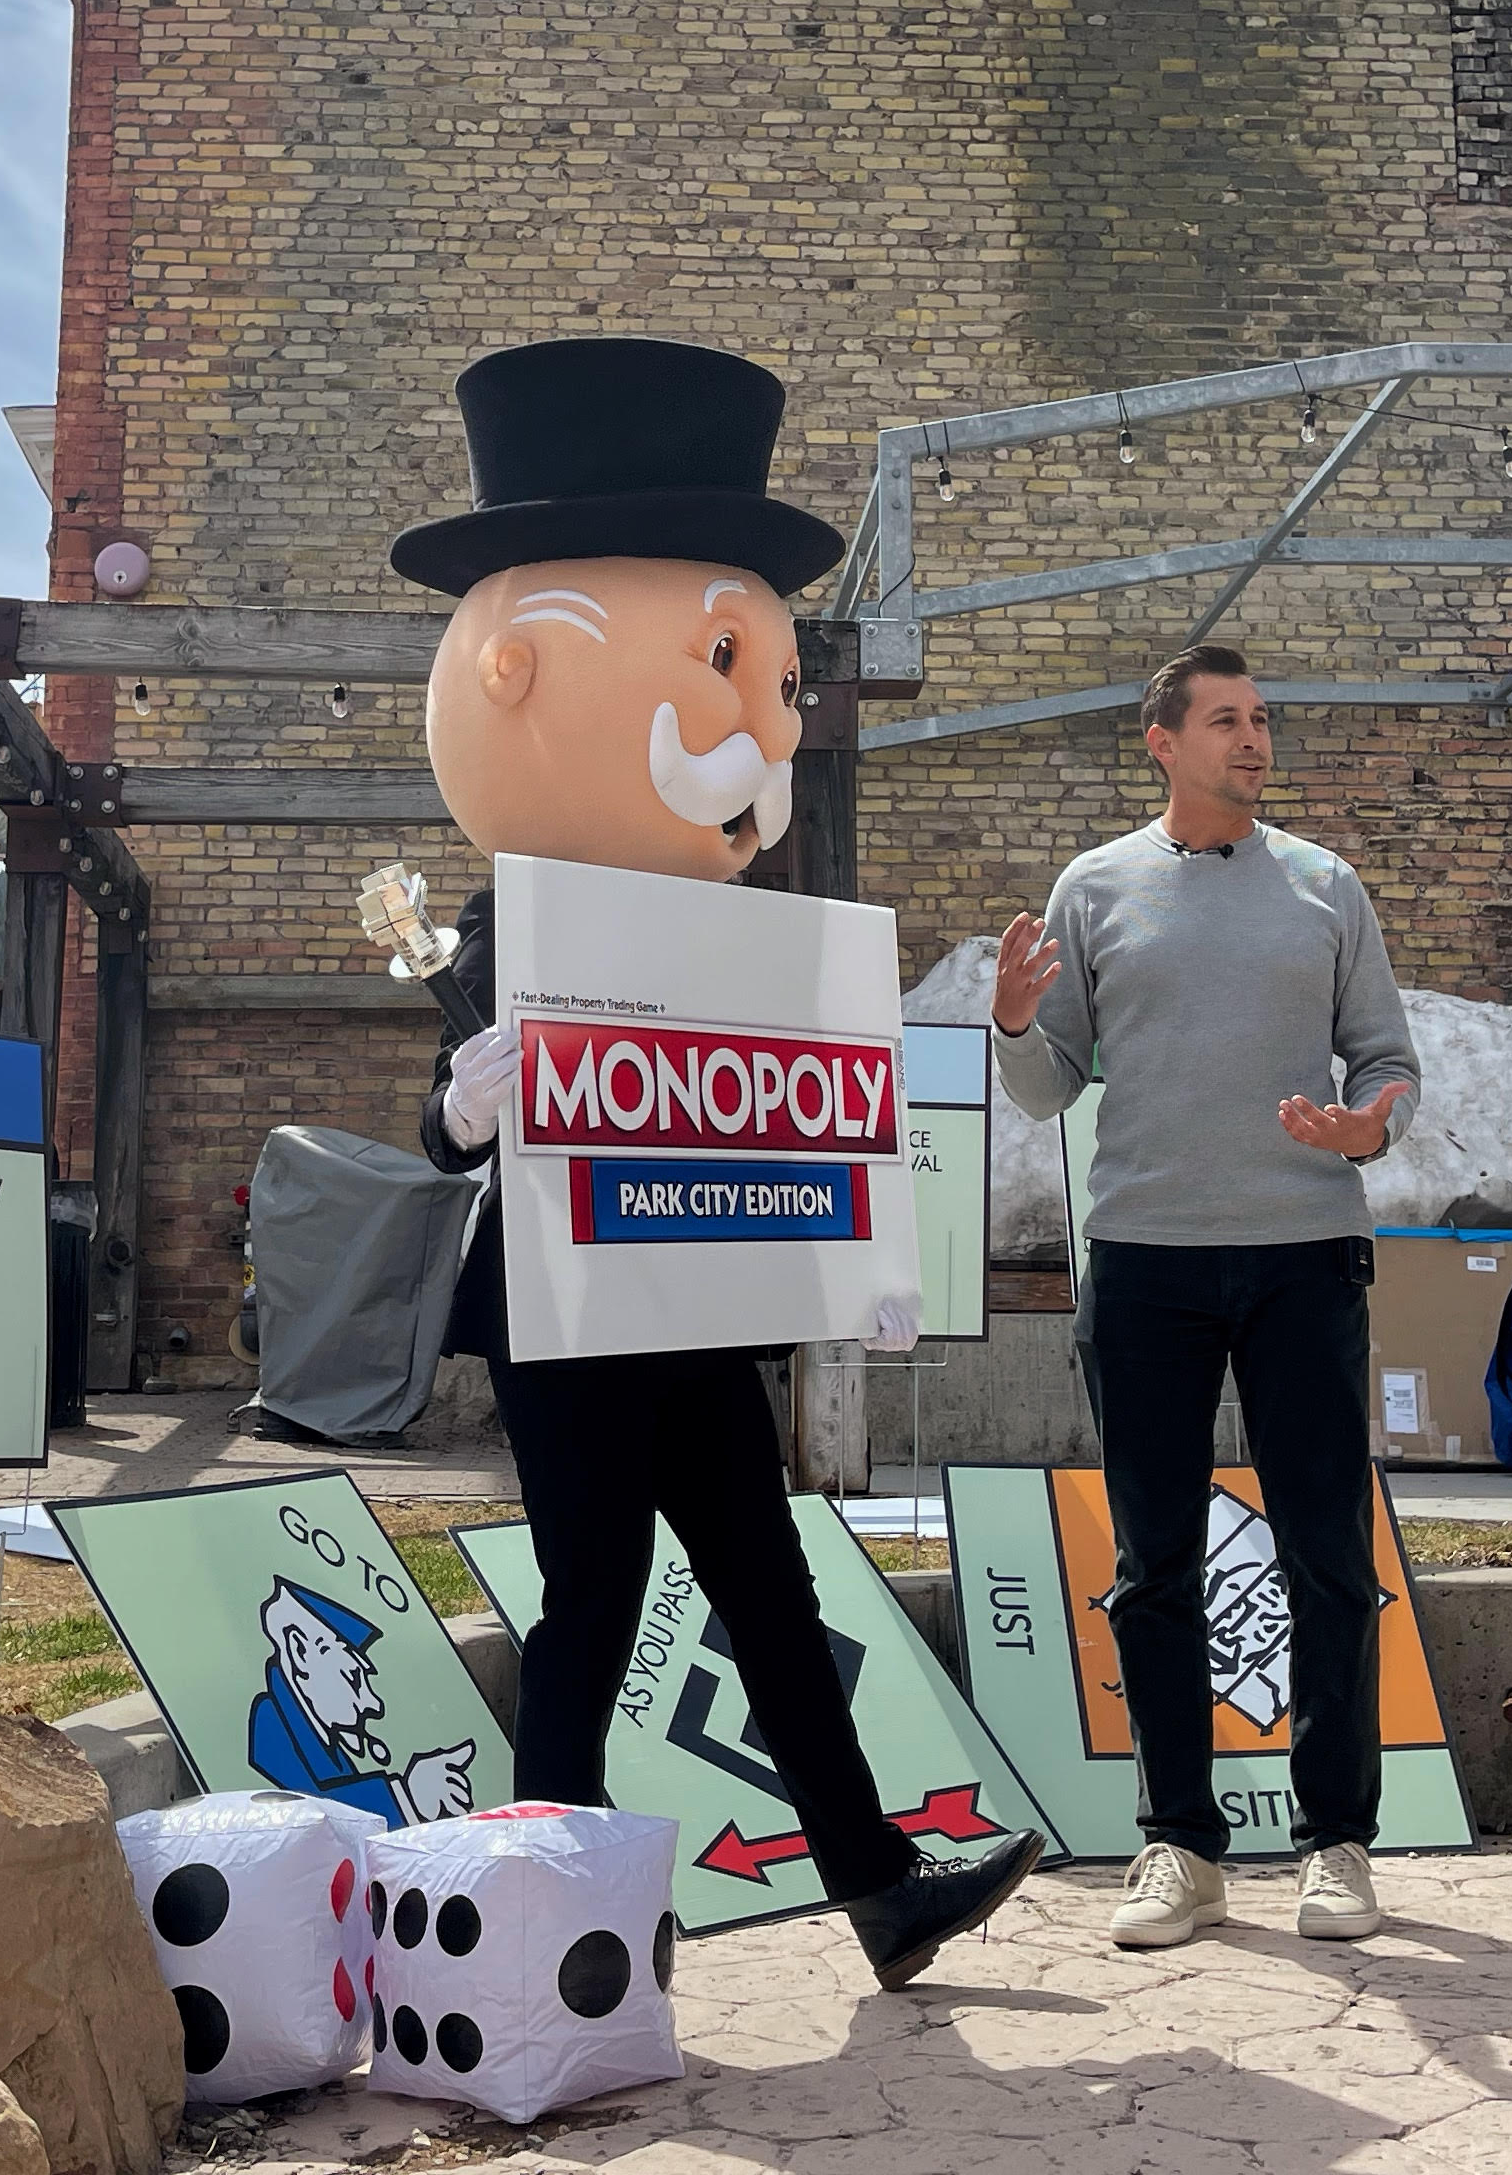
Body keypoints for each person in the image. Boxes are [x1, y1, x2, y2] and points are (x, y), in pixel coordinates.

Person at [402, 335, 1041, 1992]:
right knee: (592, 1608)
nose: (756, 721)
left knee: (769, 1587)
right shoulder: (499, 924)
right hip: (562, 1304)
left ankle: (882, 1886)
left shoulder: (738, 935)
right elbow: (434, 1119)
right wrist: (471, 1101)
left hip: (689, 1306)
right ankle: (546, 1911)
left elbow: (776, 1115)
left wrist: (854, 1215)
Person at [991, 641, 1421, 1951]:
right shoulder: (1095, 887)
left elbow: (1388, 1061)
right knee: (1153, 1569)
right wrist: (1013, 1021)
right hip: (1144, 1262)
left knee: (1329, 1559)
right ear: (1162, 740)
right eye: (1227, 720)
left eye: (1263, 720)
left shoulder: (1325, 886)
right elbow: (1046, 1084)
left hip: (1302, 1253)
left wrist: (1365, 1129)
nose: (1254, 740)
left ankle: (1337, 1842)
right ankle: (1180, 1845)